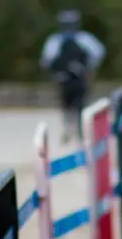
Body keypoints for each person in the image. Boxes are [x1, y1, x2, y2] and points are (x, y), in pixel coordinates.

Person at [40, 10, 106, 144]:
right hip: (72, 78)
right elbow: (99, 53)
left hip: (69, 79)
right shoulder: (72, 39)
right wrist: (90, 68)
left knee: (71, 105)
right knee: (74, 104)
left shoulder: (63, 40)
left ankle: (75, 130)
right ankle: (74, 130)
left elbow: (46, 60)